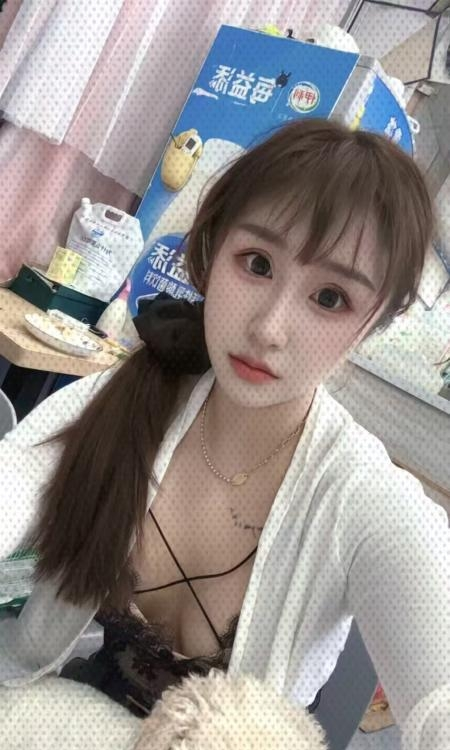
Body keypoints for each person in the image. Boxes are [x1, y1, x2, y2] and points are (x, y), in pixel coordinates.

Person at [1, 119, 449, 749]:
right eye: (257, 264)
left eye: (330, 298)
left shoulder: (364, 499)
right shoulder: (136, 393)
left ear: (370, 324)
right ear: (212, 253)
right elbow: (17, 478)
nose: (269, 328)